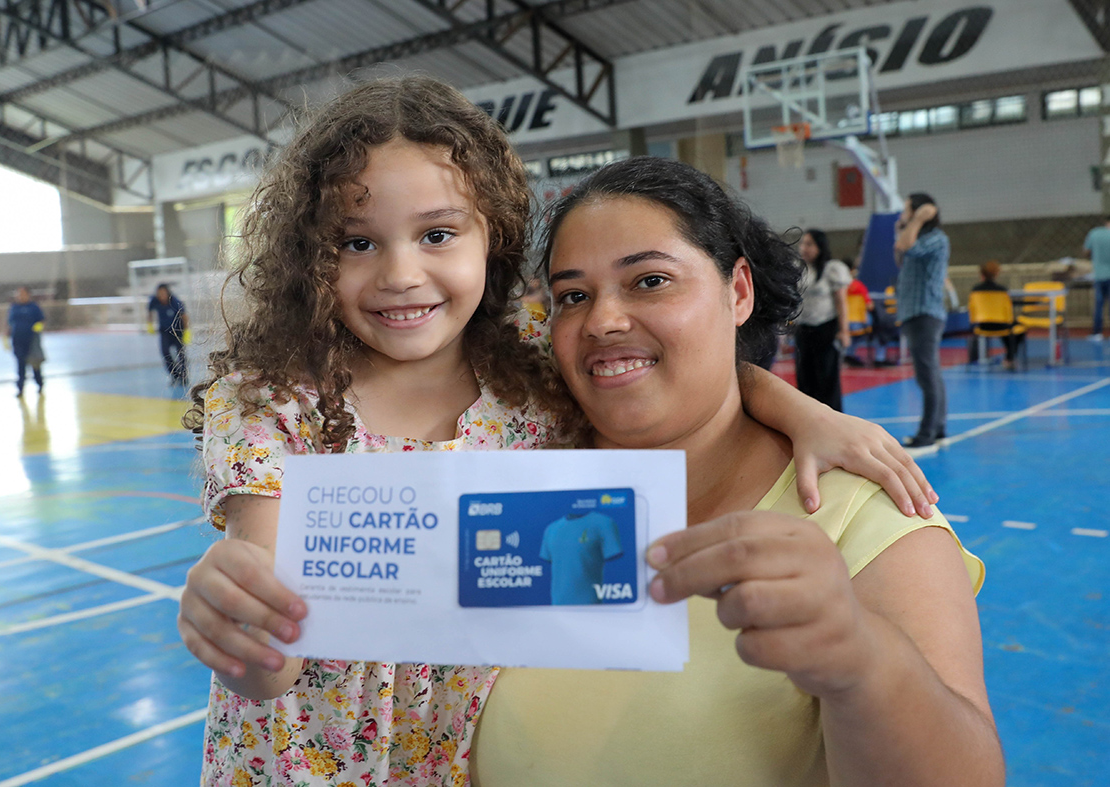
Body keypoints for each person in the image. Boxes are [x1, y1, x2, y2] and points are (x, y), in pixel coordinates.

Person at [175, 77, 938, 787]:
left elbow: (672, 364)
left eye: (436, 234)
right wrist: (234, 627)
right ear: (311, 255)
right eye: (356, 242)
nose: (400, 273)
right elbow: (269, 654)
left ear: (493, 237)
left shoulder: (529, 375)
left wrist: (806, 412)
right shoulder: (273, 402)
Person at [469, 156, 1002, 786]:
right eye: (573, 296)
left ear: (739, 291)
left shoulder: (866, 513)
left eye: (650, 280)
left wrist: (863, 659)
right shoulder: (510, 478)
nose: (603, 320)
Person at [894, 193, 949, 449]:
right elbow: (899, 255)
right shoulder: (916, 235)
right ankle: (938, 428)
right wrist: (904, 228)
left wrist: (915, 220)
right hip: (913, 313)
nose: (903, 214)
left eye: (907, 210)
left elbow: (907, 248)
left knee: (927, 376)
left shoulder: (936, 238)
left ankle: (927, 433)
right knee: (930, 374)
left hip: (925, 313)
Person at [793, 229, 851, 410]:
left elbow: (841, 302)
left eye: (809, 244)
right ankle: (809, 418)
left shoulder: (832, 268)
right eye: (803, 244)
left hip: (826, 329)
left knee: (826, 378)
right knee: (804, 377)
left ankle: (833, 418)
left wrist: (844, 331)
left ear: (820, 247)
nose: (804, 248)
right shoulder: (799, 269)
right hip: (803, 330)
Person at [969, 259, 1023, 370]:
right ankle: (1009, 358)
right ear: (996, 274)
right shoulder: (1002, 290)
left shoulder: (975, 290)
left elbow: (972, 308)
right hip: (1002, 324)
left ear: (981, 274)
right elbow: (1008, 311)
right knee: (1017, 328)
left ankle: (1007, 359)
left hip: (982, 325)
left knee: (1006, 329)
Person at [147, 283, 190, 386]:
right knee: (165, 353)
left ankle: (184, 376)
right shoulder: (154, 301)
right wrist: (150, 324)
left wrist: (187, 331)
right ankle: (175, 375)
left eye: (163, 293)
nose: (161, 296)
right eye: (159, 293)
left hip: (178, 331)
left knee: (181, 354)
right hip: (164, 331)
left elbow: (184, 316)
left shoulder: (175, 302)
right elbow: (149, 312)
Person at [6, 286, 45, 397]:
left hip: (31, 341)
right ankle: (20, 388)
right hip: (18, 340)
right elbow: (10, 323)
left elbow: (41, 320)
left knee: (35, 364)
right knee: (20, 365)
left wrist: (37, 328)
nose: (20, 296)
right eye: (18, 294)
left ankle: (40, 385)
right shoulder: (14, 307)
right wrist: (6, 336)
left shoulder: (34, 307)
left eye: (23, 293)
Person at [1083, 215, 1110, 341]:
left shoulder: (1094, 233)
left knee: (1099, 305)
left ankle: (1097, 333)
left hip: (1099, 275)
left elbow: (1086, 251)